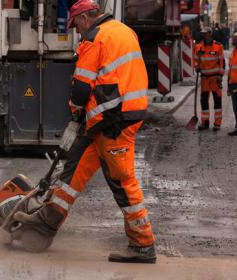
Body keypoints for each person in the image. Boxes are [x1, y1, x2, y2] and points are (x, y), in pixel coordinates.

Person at [13, 0, 156, 263]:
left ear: (85, 18)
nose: (76, 31)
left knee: (122, 182)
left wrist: (75, 111)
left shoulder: (94, 38)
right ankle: (46, 223)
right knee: (72, 172)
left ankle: (143, 244)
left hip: (113, 120)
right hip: (110, 118)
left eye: (75, 24)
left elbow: (81, 88)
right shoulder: (125, 31)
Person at [194, 27, 225, 131]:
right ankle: (205, 123)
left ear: (211, 34)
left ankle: (217, 124)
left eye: (206, 33)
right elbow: (195, 60)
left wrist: (220, 76)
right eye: (203, 34)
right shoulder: (198, 47)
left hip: (215, 78)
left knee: (217, 101)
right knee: (203, 101)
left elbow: (222, 62)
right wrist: (196, 66)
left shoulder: (218, 47)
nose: (204, 35)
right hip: (204, 79)